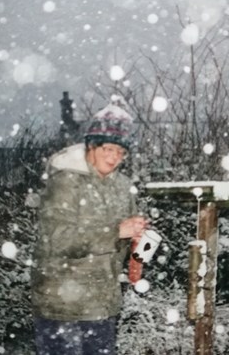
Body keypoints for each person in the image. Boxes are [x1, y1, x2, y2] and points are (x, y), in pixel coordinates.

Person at [31, 103, 148, 355]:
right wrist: (116, 231)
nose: (114, 157)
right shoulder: (65, 181)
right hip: (63, 308)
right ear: (91, 146)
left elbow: (120, 245)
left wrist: (137, 239)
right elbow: (59, 240)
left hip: (102, 307)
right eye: (108, 148)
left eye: (121, 151)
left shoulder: (123, 187)